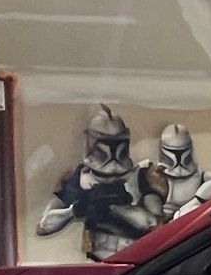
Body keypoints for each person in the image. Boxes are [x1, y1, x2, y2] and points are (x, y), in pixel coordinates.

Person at [40, 105, 157, 260]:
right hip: (96, 266)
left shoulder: (138, 176)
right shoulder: (79, 178)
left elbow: (154, 225)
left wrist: (117, 208)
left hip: (135, 263)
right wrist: (75, 210)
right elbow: (45, 225)